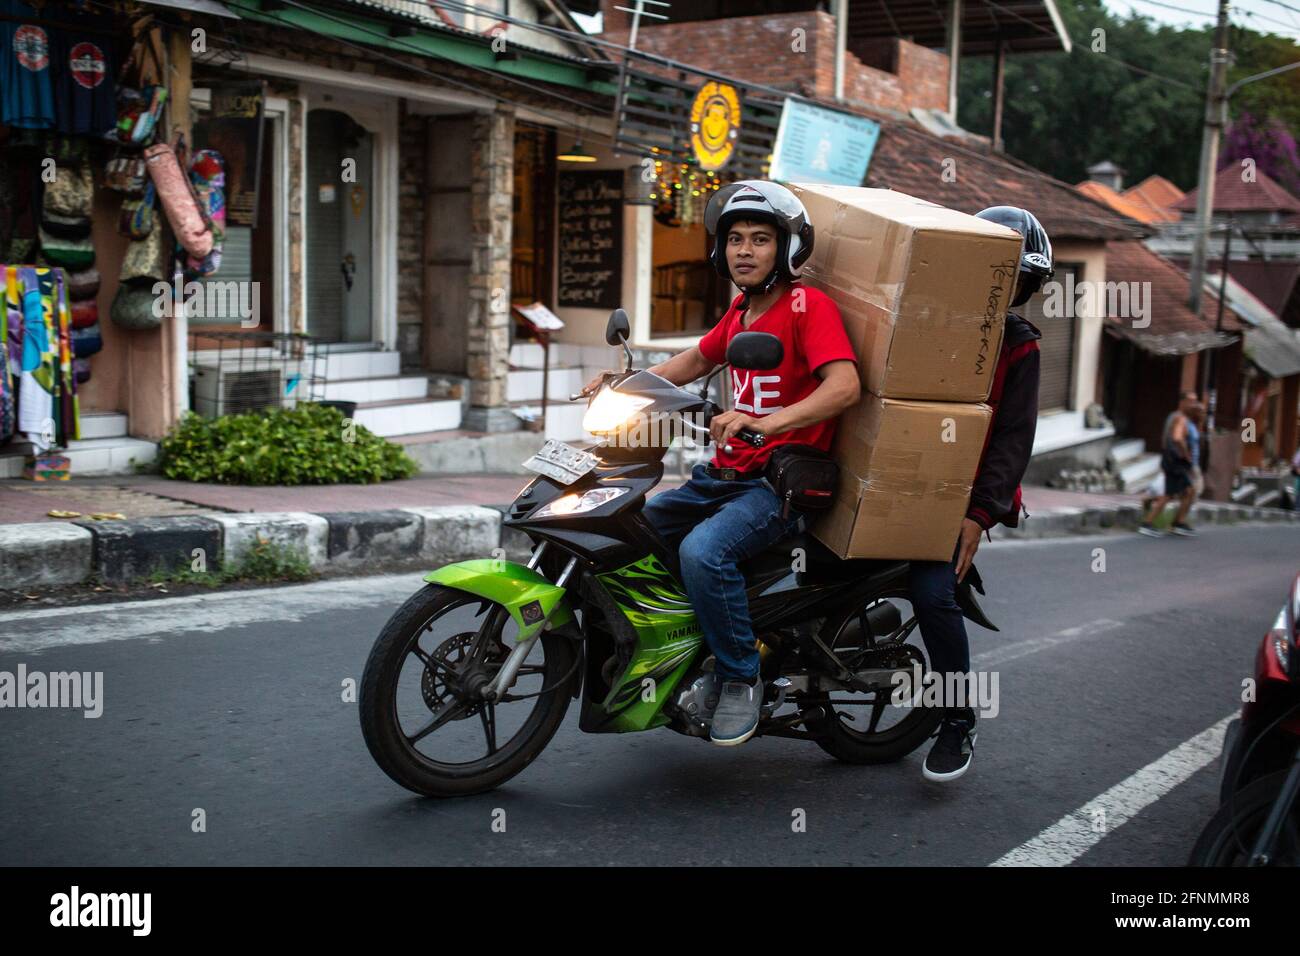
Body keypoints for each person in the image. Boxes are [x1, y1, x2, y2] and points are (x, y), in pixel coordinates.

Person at [586, 180, 859, 747]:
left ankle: (741, 676)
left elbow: (845, 387)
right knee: (626, 532)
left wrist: (769, 422)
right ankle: (683, 648)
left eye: (760, 239)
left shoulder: (809, 307)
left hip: (779, 482)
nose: (744, 250)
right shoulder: (741, 309)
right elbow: (692, 360)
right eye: (735, 239)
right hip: (724, 475)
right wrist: (624, 384)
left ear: (785, 249)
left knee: (703, 553)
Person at [909, 205, 1051, 783]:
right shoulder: (922, 321)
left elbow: (1014, 439)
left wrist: (978, 513)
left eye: (1013, 280)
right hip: (894, 482)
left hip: (958, 497)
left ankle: (957, 720)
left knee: (933, 593)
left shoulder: (1020, 346)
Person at [1139, 392, 1200, 537]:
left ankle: (1175, 522)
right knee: (1182, 492)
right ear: (1182, 402)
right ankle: (1159, 523)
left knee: (1178, 493)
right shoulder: (1179, 418)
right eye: (1191, 401)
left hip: (1174, 462)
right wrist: (1186, 454)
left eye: (1195, 401)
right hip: (1176, 462)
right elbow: (1177, 438)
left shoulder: (1184, 418)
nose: (1194, 405)